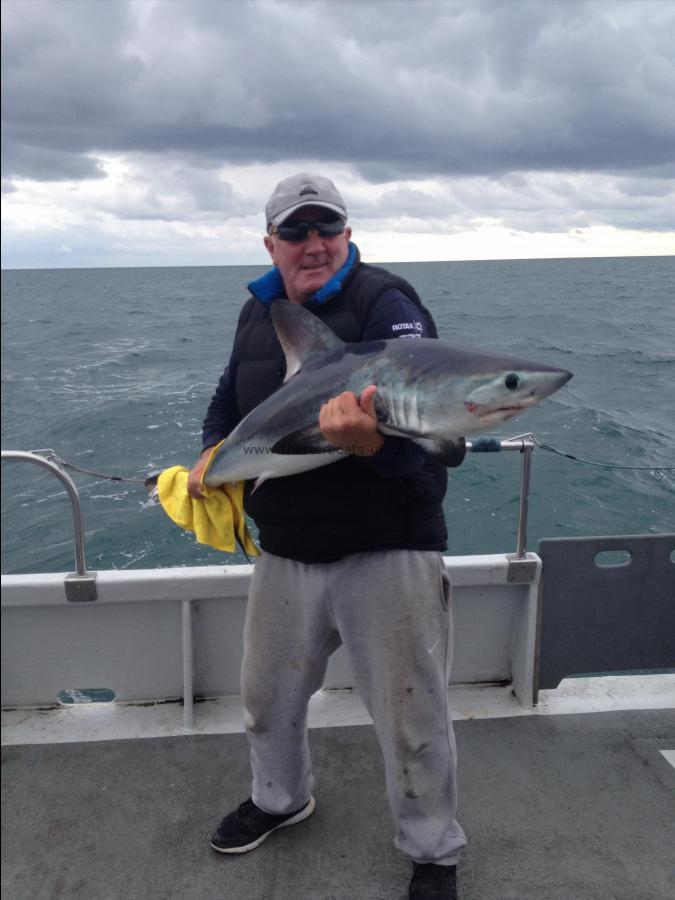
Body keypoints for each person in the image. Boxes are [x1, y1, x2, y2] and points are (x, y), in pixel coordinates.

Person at [188, 173, 467, 900]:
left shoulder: (388, 305)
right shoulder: (261, 313)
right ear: (270, 243)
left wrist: (372, 443)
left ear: (346, 233)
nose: (312, 244)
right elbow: (230, 394)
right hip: (286, 545)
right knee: (265, 699)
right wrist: (213, 452)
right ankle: (281, 799)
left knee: (410, 714)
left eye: (326, 228)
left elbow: (429, 435)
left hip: (386, 546)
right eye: (295, 232)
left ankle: (432, 852)